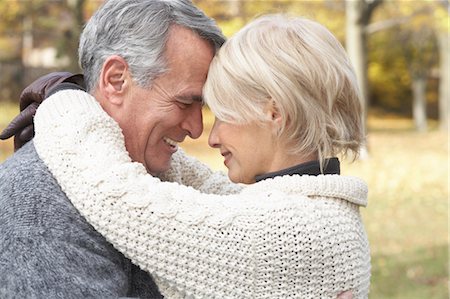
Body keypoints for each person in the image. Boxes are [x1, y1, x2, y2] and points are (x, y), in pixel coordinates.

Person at [23, 14, 370, 298]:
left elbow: (119, 198)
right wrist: (155, 147)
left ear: (274, 114)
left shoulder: (292, 232)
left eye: (224, 114)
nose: (210, 135)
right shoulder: (315, 209)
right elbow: (209, 190)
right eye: (190, 102)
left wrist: (65, 100)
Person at [0, 0, 239, 297]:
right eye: (185, 102)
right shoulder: (38, 203)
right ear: (116, 80)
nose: (197, 128)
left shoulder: (161, 181)